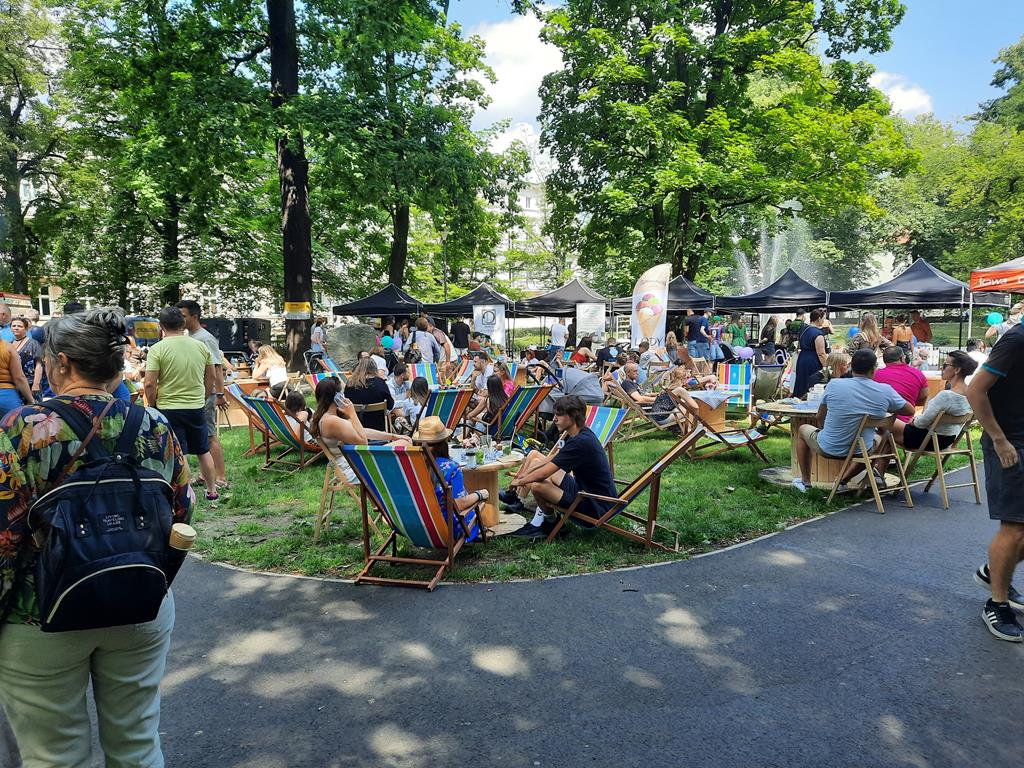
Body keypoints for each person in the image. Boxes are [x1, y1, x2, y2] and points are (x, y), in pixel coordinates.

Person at [0, 308, 191, 768]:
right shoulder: (154, 426)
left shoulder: (21, 431)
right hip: (139, 602)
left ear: (62, 363)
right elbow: (181, 511)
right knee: (138, 744)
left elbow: (4, 538)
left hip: (39, 613)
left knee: (54, 755)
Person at [968, 319, 1024, 641]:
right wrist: (999, 439)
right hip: (1011, 442)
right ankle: (997, 602)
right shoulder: (1017, 339)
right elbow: (975, 390)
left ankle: (994, 571)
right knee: (1015, 526)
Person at [792, 349, 915, 494]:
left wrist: (827, 430)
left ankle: (806, 481)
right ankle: (843, 480)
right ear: (874, 368)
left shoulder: (834, 385)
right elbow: (910, 411)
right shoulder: (885, 391)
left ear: (852, 366)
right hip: (862, 450)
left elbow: (820, 415)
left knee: (802, 429)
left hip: (829, 446)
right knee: (883, 438)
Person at [502, 395, 618, 539]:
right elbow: (554, 458)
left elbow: (542, 475)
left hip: (595, 504)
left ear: (573, 416)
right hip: (585, 491)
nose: (554, 419)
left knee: (537, 485)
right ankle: (539, 518)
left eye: (559, 415)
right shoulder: (581, 434)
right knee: (536, 467)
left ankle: (550, 523)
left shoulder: (580, 442)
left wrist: (519, 482)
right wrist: (522, 475)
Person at [145, 306, 220, 501]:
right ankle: (212, 490)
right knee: (203, 449)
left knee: (181, 452)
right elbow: (211, 376)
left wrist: (152, 405)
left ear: (161, 326)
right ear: (182, 323)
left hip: (169, 407)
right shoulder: (200, 346)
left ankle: (187, 493)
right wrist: (202, 397)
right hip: (196, 406)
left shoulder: (157, 349)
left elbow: (150, 383)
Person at [177, 300, 229, 490]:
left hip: (207, 394)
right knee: (201, 437)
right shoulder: (191, 336)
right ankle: (205, 474)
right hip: (197, 394)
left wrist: (219, 393)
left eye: (183, 316)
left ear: (194, 316)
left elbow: (217, 368)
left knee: (209, 436)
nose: (180, 320)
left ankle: (221, 478)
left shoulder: (204, 338)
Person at [410, 416, 481, 540]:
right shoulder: (451, 468)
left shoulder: (410, 466)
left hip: (416, 527)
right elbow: (459, 504)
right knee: (477, 503)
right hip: (448, 530)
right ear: (443, 442)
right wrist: (480, 494)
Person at [891, 351, 976, 452]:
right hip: (947, 440)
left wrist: (914, 421)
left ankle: (876, 462)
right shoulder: (971, 395)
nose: (941, 368)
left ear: (957, 370)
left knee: (885, 419)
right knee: (887, 432)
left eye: (945, 365)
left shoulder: (946, 396)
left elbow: (921, 423)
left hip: (925, 439)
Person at [874, 346, 928, 423]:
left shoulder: (876, 374)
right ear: (902, 358)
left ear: (884, 360)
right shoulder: (917, 374)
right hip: (905, 423)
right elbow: (924, 397)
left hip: (879, 422)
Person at [343, 357, 394, 431]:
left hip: (356, 425)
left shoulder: (350, 384)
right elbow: (390, 405)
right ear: (374, 368)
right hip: (378, 426)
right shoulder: (380, 383)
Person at [793, 309, 829, 398]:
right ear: (819, 319)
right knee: (811, 385)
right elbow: (821, 353)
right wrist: (827, 367)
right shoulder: (818, 334)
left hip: (802, 359)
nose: (823, 321)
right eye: (823, 319)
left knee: (801, 383)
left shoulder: (804, 330)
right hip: (812, 361)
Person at [0, 331, 35, 417]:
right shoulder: (8, 347)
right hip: (6, 395)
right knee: (15, 426)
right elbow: (19, 377)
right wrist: (31, 400)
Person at [9, 317, 44, 400]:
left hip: (30, 384)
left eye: (20, 326)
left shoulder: (33, 344)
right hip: (14, 385)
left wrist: (36, 383)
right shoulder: (9, 344)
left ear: (26, 329)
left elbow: (39, 365)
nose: (16, 328)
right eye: (14, 326)